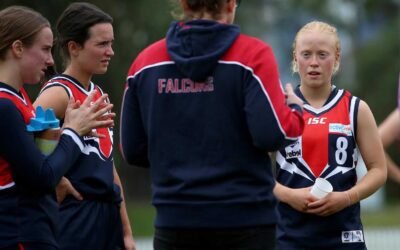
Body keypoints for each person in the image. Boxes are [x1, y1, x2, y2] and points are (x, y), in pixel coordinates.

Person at [120, 0, 305, 249]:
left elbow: (131, 149)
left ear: (184, 4)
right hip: (246, 223)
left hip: (175, 223)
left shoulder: (144, 63)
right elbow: (272, 134)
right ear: (230, 5)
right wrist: (295, 109)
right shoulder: (253, 55)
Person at [0, 5, 114, 250]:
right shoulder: (6, 105)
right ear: (18, 48)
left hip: (40, 229)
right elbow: (42, 176)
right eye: (45, 49)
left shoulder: (18, 99)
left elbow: (34, 161)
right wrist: (73, 133)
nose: (51, 59)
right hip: (20, 233)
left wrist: (59, 142)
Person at [273, 21, 387, 250]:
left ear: (336, 58)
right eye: (306, 54)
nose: (314, 62)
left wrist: (346, 198)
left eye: (322, 54)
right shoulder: (278, 109)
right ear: (295, 57)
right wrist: (287, 195)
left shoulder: (356, 108)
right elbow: (250, 170)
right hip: (289, 237)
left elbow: (378, 170)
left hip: (344, 237)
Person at [33, 2, 135, 250]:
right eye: (101, 44)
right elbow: (19, 148)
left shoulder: (99, 95)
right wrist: (54, 181)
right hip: (74, 220)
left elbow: (108, 166)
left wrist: (126, 232)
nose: (110, 51)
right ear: (74, 47)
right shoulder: (58, 93)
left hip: (107, 218)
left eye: (111, 43)